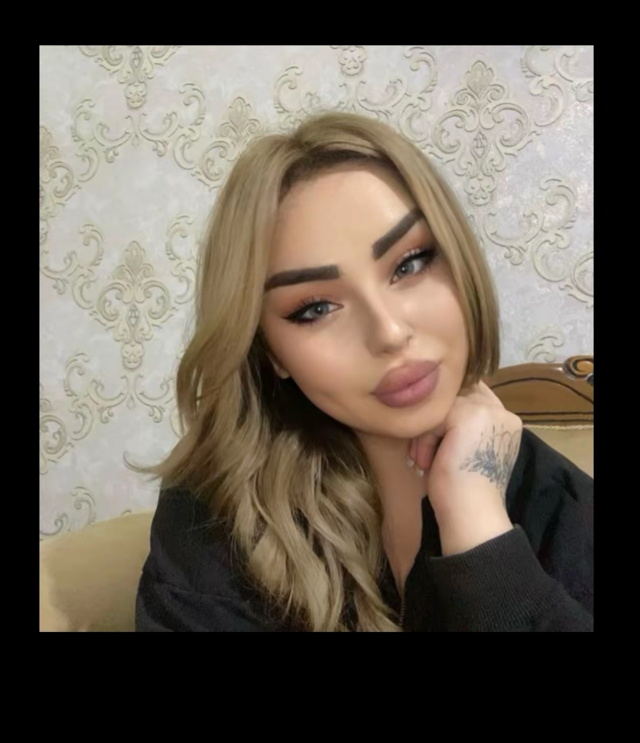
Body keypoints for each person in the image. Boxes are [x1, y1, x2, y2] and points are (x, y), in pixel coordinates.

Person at [131, 110, 593, 632]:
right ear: (271, 352)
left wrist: (476, 523)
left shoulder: (555, 498)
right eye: (315, 308)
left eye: (410, 263)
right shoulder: (215, 512)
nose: (389, 332)